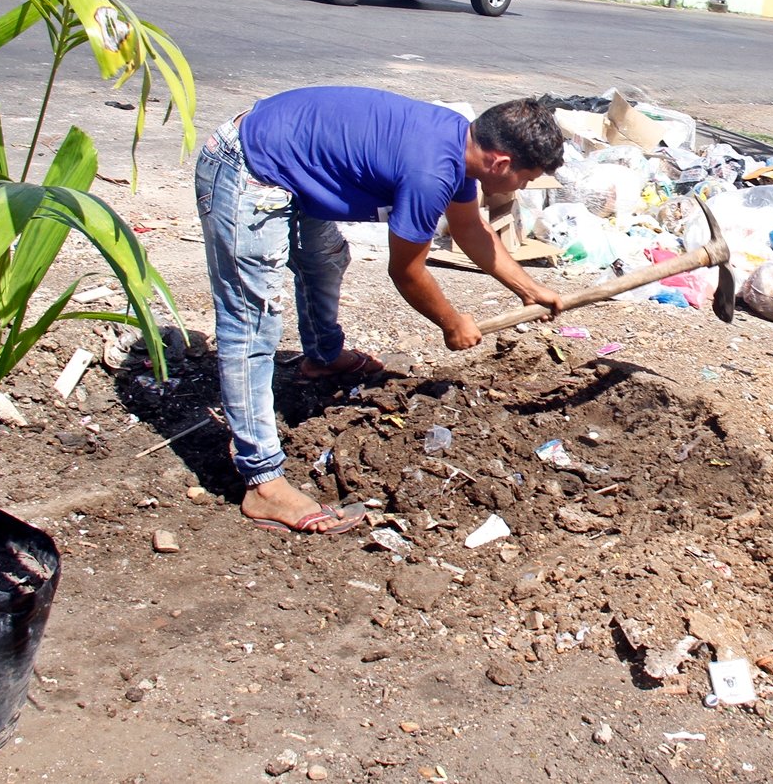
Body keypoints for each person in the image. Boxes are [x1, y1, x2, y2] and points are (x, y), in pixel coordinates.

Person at [195, 88, 565, 534]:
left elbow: (470, 228)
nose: (524, 188)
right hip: (250, 167)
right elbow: (407, 271)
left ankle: (323, 356)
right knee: (252, 324)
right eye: (527, 178)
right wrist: (452, 323)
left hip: (292, 154)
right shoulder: (431, 172)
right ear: (502, 163)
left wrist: (529, 289)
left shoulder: (459, 144)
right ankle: (262, 482)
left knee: (326, 256)